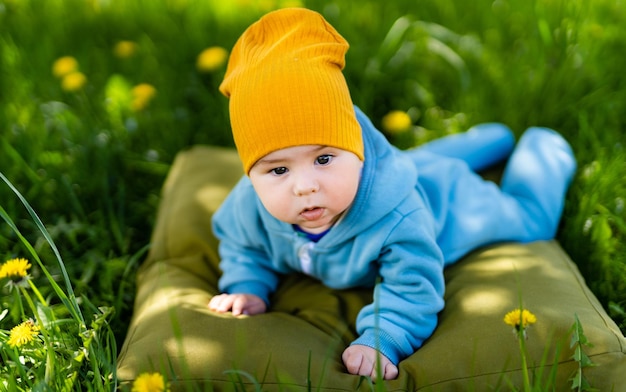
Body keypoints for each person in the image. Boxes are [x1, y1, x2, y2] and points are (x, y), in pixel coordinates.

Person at [208, 8, 576, 381]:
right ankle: (489, 138)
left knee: (530, 219)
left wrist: (383, 338)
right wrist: (247, 286)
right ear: (252, 174)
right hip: (404, 167)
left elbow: (413, 286)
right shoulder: (248, 205)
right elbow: (243, 245)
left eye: (323, 157)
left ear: (357, 151)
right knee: (417, 162)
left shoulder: (398, 216)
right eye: (279, 169)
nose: (304, 186)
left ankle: (544, 145)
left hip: (449, 203)